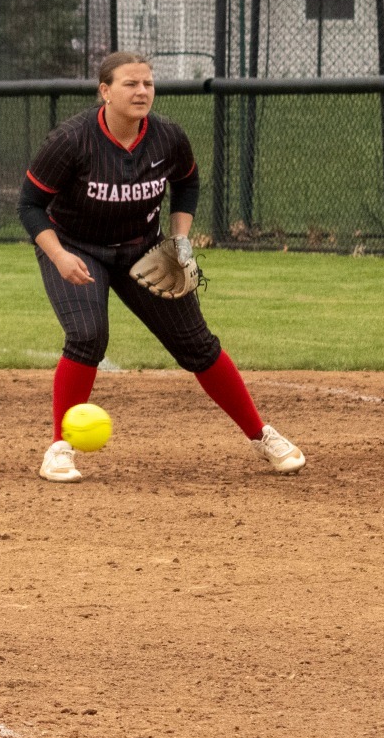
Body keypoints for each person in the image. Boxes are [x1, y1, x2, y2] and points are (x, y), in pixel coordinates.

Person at [20, 51, 306, 483]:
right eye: (130, 84)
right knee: (87, 335)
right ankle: (60, 449)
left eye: (148, 83)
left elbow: (187, 182)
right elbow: (29, 205)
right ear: (105, 91)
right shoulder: (71, 140)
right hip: (78, 248)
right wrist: (59, 255)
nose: (141, 91)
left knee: (198, 346)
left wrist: (180, 241)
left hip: (142, 248)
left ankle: (262, 435)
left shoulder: (167, 137)